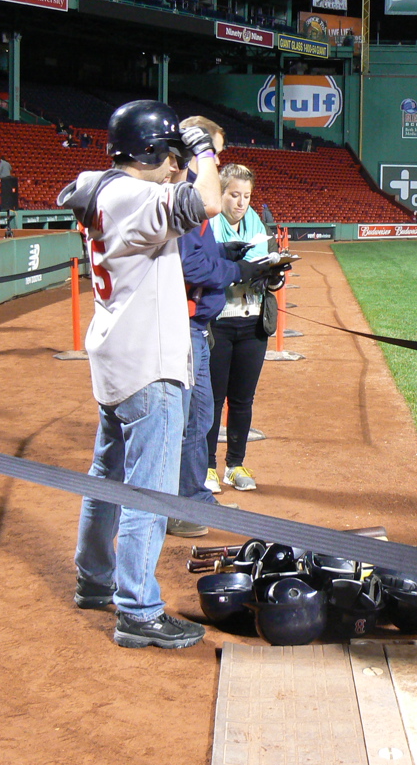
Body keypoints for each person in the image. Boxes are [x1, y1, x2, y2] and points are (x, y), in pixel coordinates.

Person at [57, 99, 221, 648]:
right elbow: (208, 200)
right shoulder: (133, 195)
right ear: (151, 151)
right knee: (148, 493)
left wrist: (183, 155)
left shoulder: (104, 189)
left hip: (116, 357)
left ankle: (94, 579)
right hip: (148, 367)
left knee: (105, 479)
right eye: (169, 154)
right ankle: (138, 609)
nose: (176, 164)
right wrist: (200, 148)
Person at [166, 117, 281, 538]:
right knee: (197, 415)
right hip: (197, 325)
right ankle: (189, 496)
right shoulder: (188, 204)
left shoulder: (182, 203)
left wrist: (263, 272)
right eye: (209, 156)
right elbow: (192, 262)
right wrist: (235, 267)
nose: (213, 166)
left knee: (211, 409)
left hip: (225, 322)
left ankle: (198, 489)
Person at [206, 163, 286, 492]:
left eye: (247, 196)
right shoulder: (206, 228)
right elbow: (202, 273)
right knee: (211, 399)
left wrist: (275, 274)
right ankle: (207, 467)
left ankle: (235, 465)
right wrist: (235, 267)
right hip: (218, 324)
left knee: (242, 400)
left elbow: (271, 279)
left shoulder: (259, 228)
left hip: (253, 324)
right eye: (234, 195)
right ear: (221, 194)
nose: (241, 202)